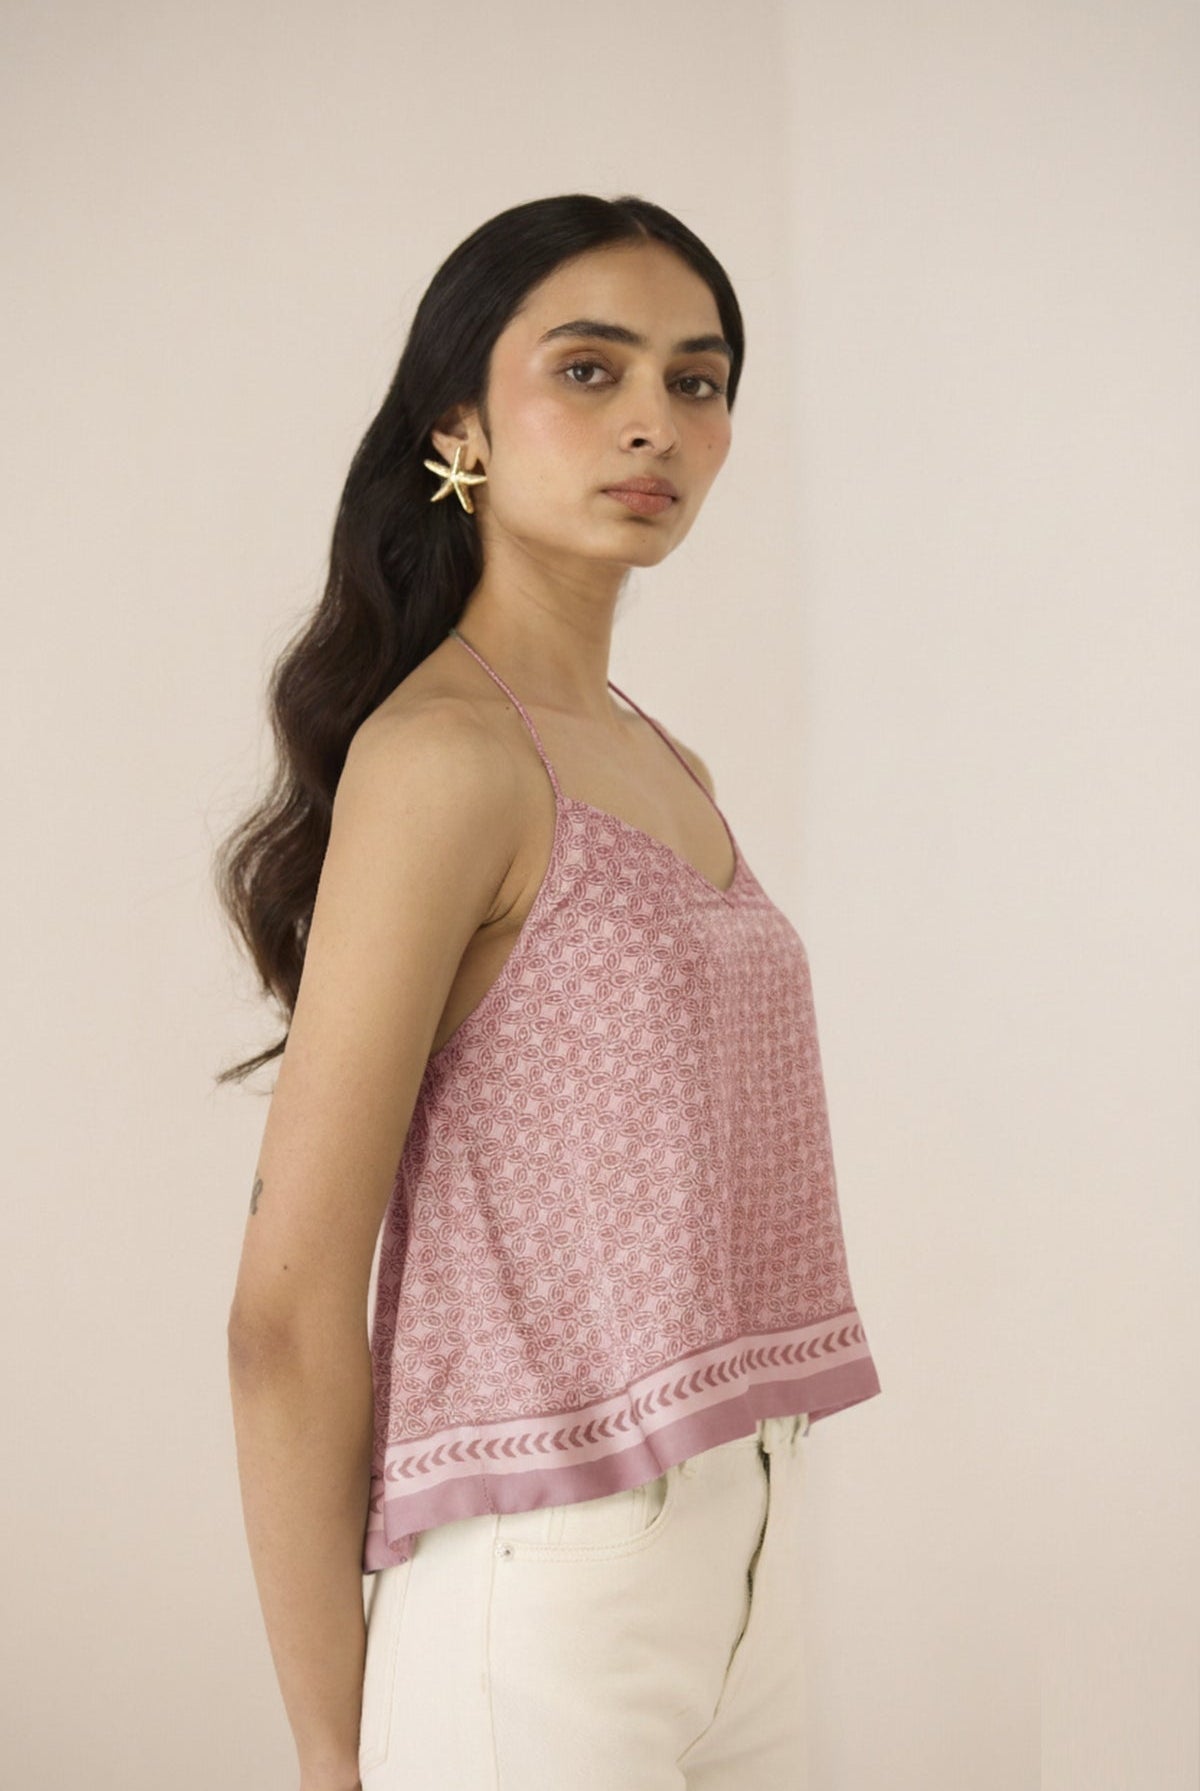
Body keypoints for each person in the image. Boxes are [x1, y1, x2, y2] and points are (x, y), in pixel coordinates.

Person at [217, 192, 881, 1791]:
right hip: (544, 1589)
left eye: (699, 380)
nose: (655, 419)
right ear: (462, 424)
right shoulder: (445, 760)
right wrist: (333, 1749)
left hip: (748, 1554)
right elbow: (287, 1315)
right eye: (590, 371)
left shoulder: (660, 756)